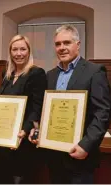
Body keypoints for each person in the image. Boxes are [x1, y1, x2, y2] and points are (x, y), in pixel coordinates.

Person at [29, 24, 111, 183]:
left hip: (80, 157)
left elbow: (102, 113)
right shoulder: (50, 75)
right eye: (58, 44)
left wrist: (85, 146)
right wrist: (38, 131)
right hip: (54, 157)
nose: (62, 47)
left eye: (67, 43)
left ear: (78, 45)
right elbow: (47, 110)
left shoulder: (94, 71)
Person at [0, 35, 47, 184]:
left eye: (23, 49)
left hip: (23, 139)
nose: (18, 53)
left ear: (29, 51)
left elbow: (38, 106)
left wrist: (24, 131)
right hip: (6, 138)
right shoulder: (8, 75)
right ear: (10, 52)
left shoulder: (36, 73)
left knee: (19, 177)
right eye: (15, 49)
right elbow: (7, 101)